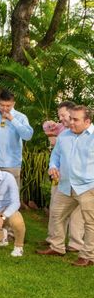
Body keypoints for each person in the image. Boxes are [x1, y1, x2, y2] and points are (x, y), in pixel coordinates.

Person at [38, 105, 94, 267]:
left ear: (87, 121)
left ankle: (88, 256)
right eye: (70, 118)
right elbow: (55, 156)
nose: (71, 122)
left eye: (75, 119)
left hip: (87, 188)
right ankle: (57, 247)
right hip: (65, 185)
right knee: (56, 215)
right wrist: (53, 167)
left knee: (90, 223)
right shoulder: (64, 136)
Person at [41, 101, 83, 252]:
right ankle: (55, 241)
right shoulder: (62, 131)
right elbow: (55, 153)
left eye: (64, 115)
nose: (62, 119)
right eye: (60, 116)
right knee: (57, 209)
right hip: (61, 178)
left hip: (82, 183)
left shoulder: (86, 133)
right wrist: (53, 166)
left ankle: (76, 243)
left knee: (78, 214)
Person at [0, 90, 33, 191]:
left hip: (12, 165)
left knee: (12, 198)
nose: (5, 109)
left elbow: (28, 136)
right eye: (2, 105)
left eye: (8, 106)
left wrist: (12, 120)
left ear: (13, 104)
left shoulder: (21, 117)